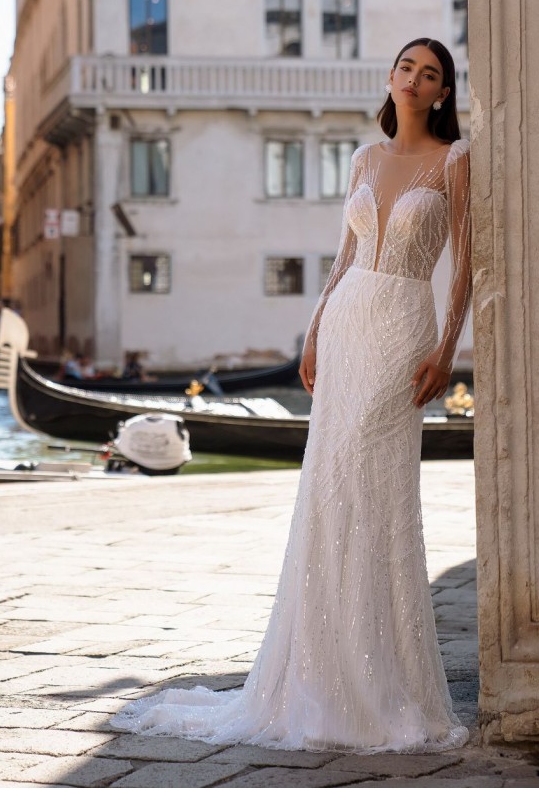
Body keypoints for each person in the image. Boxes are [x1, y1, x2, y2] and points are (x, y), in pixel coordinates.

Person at [110, 37, 473, 754]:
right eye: (407, 67)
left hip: (404, 326)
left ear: (441, 94)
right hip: (345, 327)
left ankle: (383, 683)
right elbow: (343, 257)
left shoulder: (454, 160)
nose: (414, 79)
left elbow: (465, 265)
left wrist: (448, 352)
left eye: (430, 75)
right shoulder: (367, 160)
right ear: (392, 78)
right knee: (330, 490)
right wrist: (312, 331)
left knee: (377, 493)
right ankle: (321, 671)